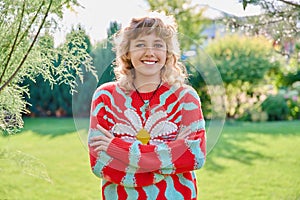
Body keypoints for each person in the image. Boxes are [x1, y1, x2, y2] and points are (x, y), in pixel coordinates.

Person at [88, 11, 206, 200]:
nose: (150, 52)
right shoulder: (106, 96)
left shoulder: (185, 98)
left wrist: (118, 148)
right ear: (127, 51)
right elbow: (100, 165)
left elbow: (195, 156)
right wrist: (173, 152)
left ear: (168, 52)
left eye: (158, 45)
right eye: (140, 44)